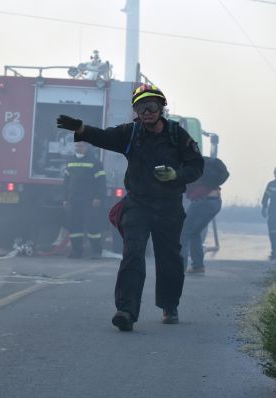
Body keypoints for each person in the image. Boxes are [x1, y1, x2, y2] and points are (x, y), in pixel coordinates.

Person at [57, 84, 203, 331]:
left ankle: (169, 306)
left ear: (161, 108)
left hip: (169, 207)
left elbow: (196, 166)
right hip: (138, 204)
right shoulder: (131, 133)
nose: (146, 111)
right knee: (132, 254)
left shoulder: (178, 136)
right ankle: (126, 310)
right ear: (136, 111)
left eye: (151, 106)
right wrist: (81, 128)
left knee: (169, 258)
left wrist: (176, 176)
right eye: (140, 107)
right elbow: (104, 137)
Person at [180, 156, 229, 274]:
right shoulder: (199, 167)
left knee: (183, 234)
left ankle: (179, 268)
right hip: (215, 202)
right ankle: (198, 266)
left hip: (203, 202)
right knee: (195, 233)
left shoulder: (187, 170)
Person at [63, 142, 107, 258]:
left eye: (80, 146)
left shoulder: (95, 162)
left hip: (89, 200)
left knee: (92, 226)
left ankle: (97, 252)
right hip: (74, 200)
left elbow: (101, 182)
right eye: (76, 146)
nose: (77, 148)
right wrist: (65, 199)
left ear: (86, 147)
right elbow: (66, 182)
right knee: (74, 226)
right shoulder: (70, 161)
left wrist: (98, 197)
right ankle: (76, 251)